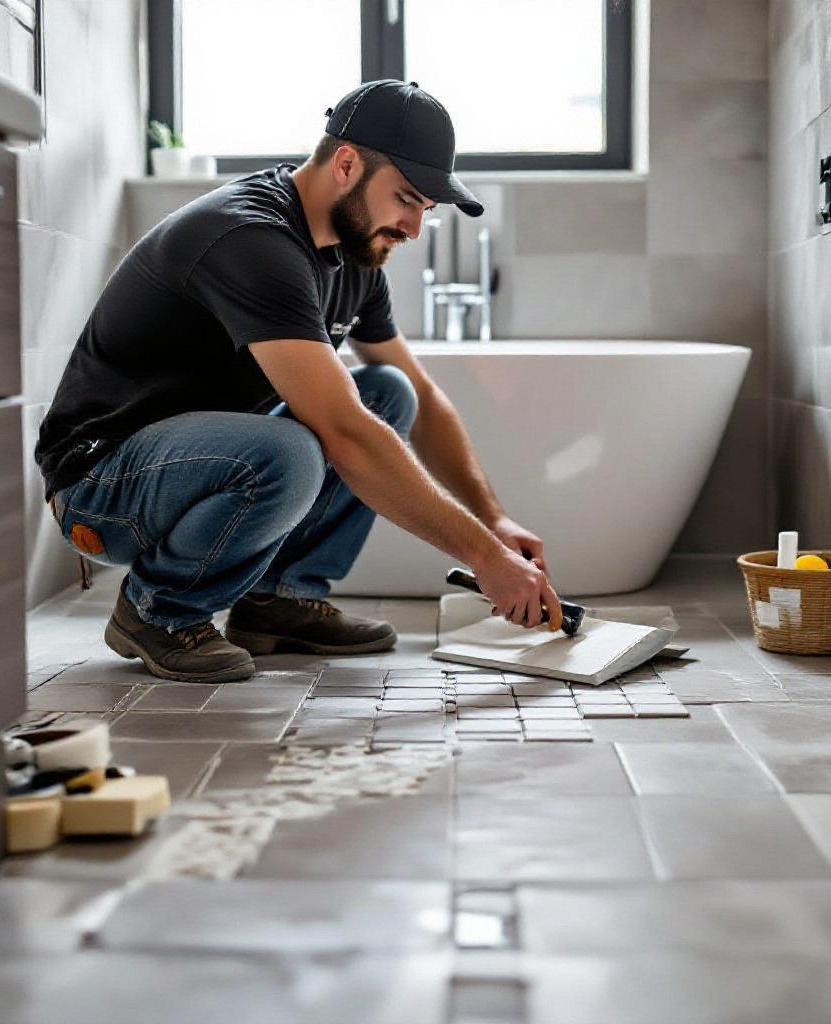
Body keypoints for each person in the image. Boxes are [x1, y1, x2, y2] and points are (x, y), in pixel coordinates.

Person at [35, 79, 563, 684]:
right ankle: (160, 611)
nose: (414, 228)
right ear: (346, 164)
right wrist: (483, 558)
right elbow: (343, 432)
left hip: (191, 464)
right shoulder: (250, 238)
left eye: (425, 209)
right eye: (406, 200)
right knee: (294, 450)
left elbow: (423, 400)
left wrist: (493, 520)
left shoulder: (354, 260)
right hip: (100, 485)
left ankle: (276, 602)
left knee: (388, 390)